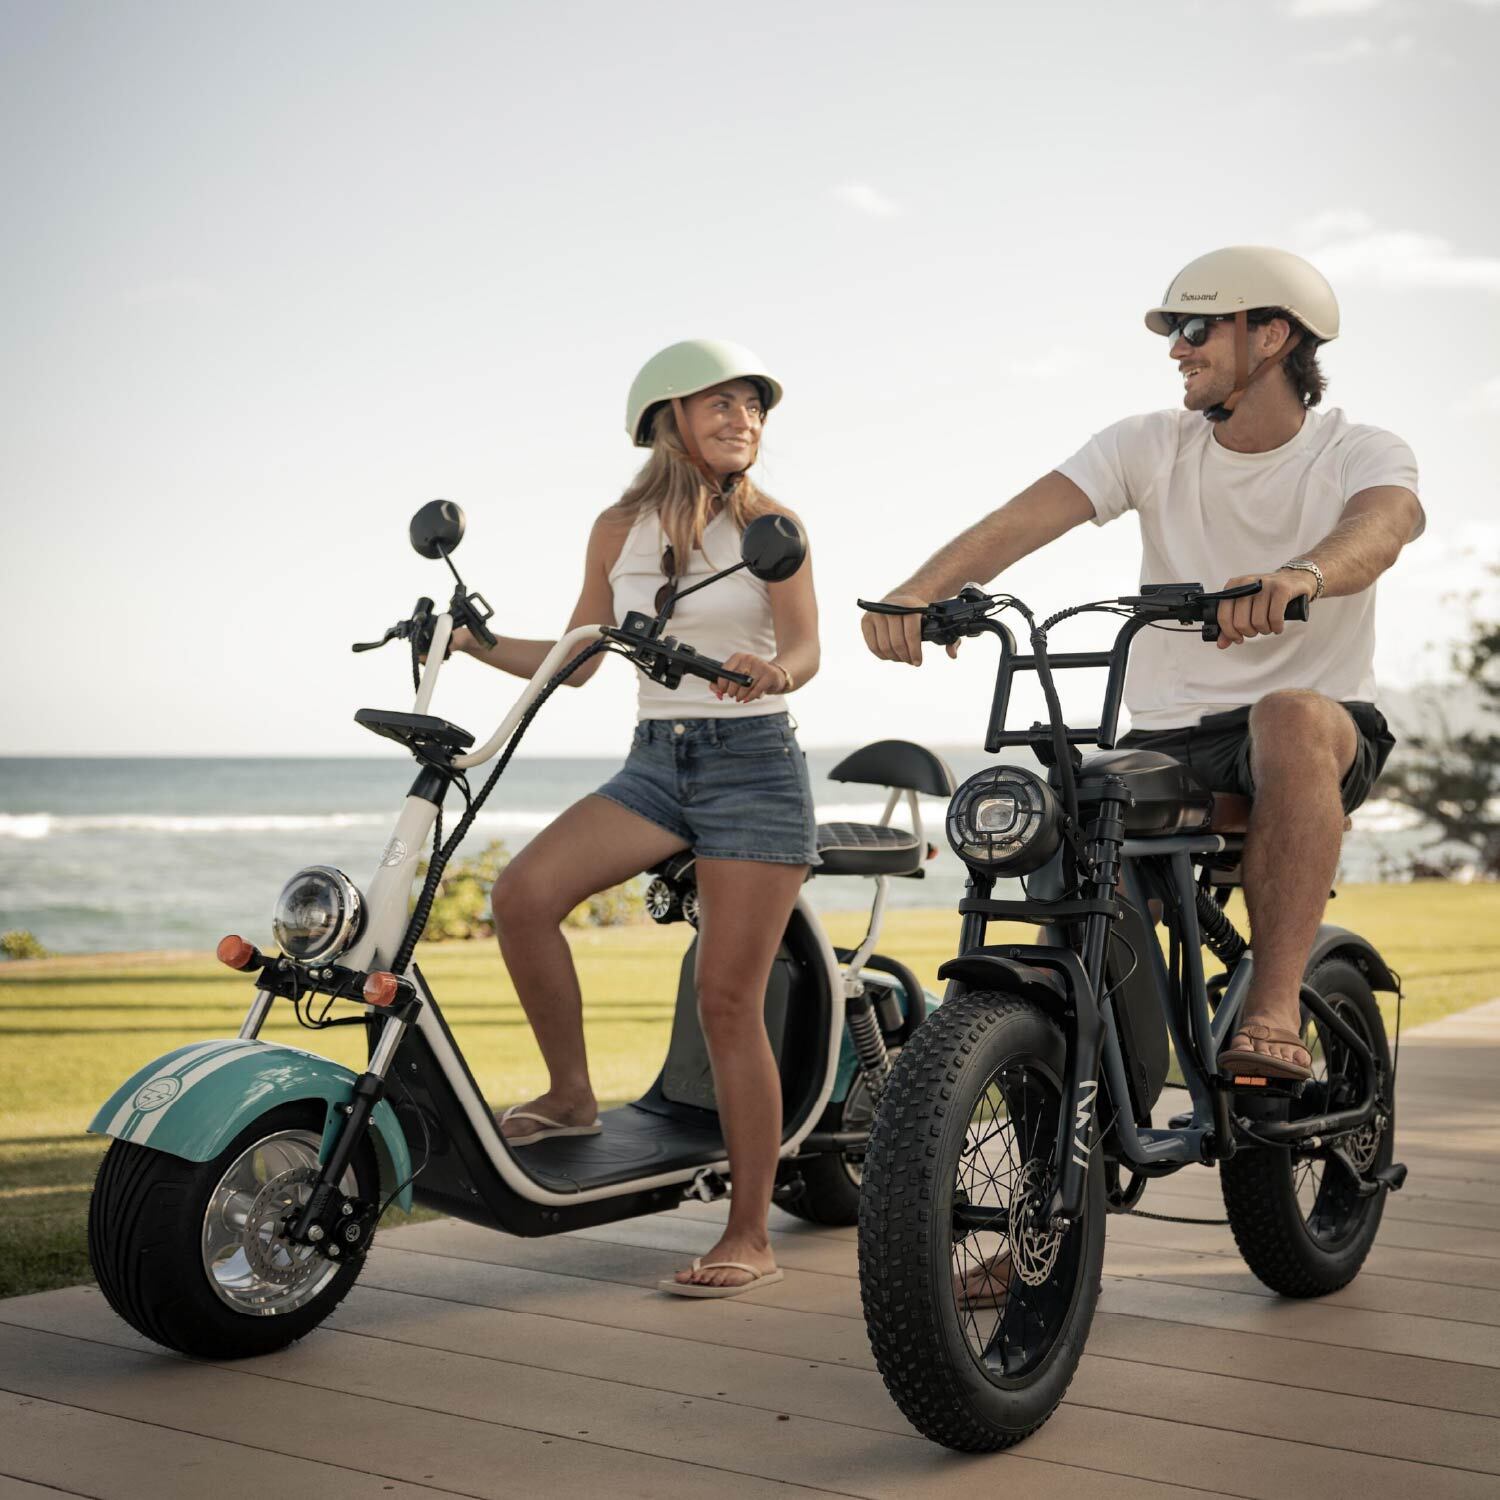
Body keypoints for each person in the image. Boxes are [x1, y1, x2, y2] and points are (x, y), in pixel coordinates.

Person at [861, 247, 1422, 1308]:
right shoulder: (1149, 445)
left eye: (1198, 329)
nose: (1178, 349)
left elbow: (1383, 529)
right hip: (1167, 737)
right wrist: (918, 594)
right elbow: (1018, 523)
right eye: (1173, 329)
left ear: (1275, 337)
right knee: (1059, 793)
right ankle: (1069, 1133)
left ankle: (1273, 1006)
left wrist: (1302, 577)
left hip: (1319, 729)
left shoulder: (1359, 448)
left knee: (1287, 712)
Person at [449, 338, 820, 1296]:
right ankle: (572, 1098)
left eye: (752, 406)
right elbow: (581, 656)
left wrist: (776, 671)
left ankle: (750, 1233)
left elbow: (808, 646)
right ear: (668, 419)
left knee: (727, 1003)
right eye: (721, 405)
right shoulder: (618, 527)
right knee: (524, 894)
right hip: (657, 765)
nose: (744, 420)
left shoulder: (774, 523)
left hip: (753, 767)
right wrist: (472, 641)